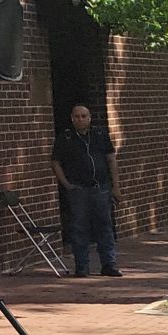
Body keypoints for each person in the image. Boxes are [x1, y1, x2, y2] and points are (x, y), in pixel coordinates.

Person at [52, 104, 121, 277]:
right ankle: (82, 266)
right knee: (79, 228)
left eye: (83, 116)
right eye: (77, 116)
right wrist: (66, 184)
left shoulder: (99, 135)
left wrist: (116, 186)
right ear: (72, 118)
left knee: (105, 227)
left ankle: (109, 264)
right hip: (78, 189)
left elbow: (111, 160)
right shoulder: (65, 138)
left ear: (89, 118)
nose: (80, 119)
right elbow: (55, 161)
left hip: (101, 187)